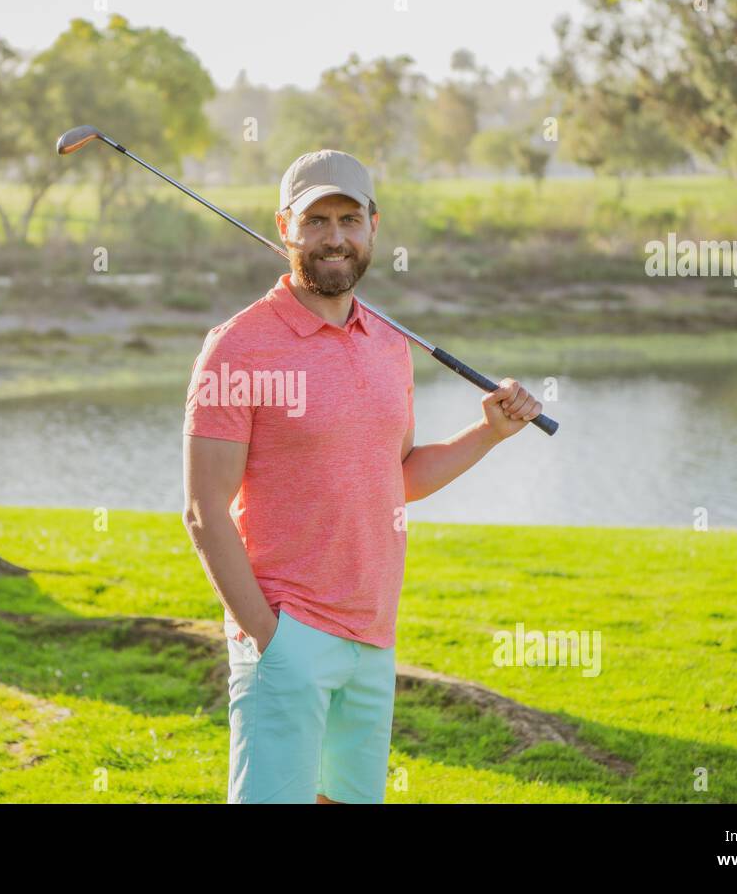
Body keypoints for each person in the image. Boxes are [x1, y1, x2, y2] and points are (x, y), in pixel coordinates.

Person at [181, 149, 542, 804]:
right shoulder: (237, 346)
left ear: (374, 225)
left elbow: (395, 476)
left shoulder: (386, 340)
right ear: (284, 225)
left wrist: (489, 431)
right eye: (316, 220)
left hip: (373, 636)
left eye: (349, 218)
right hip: (285, 636)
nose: (335, 237)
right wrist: (269, 638)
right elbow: (204, 509)